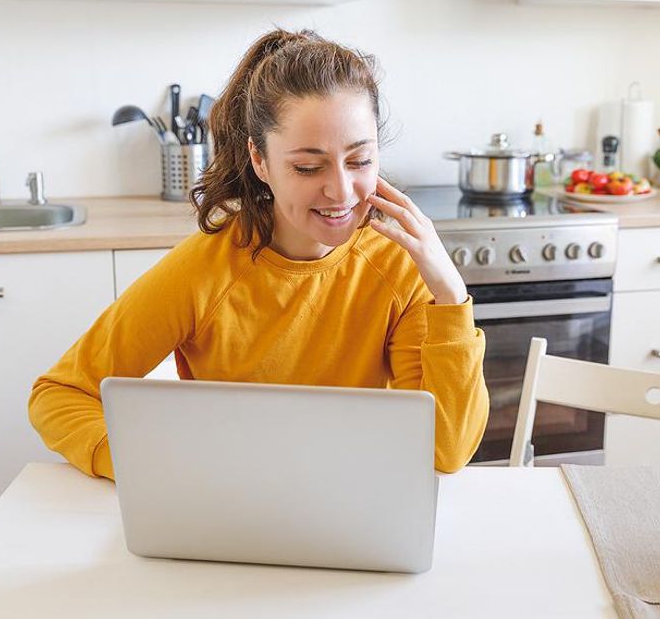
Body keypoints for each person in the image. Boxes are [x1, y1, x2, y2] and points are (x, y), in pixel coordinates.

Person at [28, 28, 489, 478]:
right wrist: (144, 466)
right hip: (231, 507)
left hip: (351, 505)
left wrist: (450, 295)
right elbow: (61, 393)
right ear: (260, 161)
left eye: (360, 160)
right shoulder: (205, 269)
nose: (341, 190)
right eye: (308, 166)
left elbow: (443, 450)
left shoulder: (398, 266)